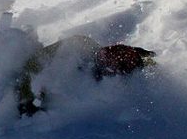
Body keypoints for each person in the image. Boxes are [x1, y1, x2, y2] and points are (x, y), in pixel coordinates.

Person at [14, 35, 156, 116]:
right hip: (16, 87)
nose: (113, 67)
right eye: (112, 59)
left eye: (120, 68)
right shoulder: (79, 46)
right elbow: (31, 65)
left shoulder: (103, 84)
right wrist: (26, 98)